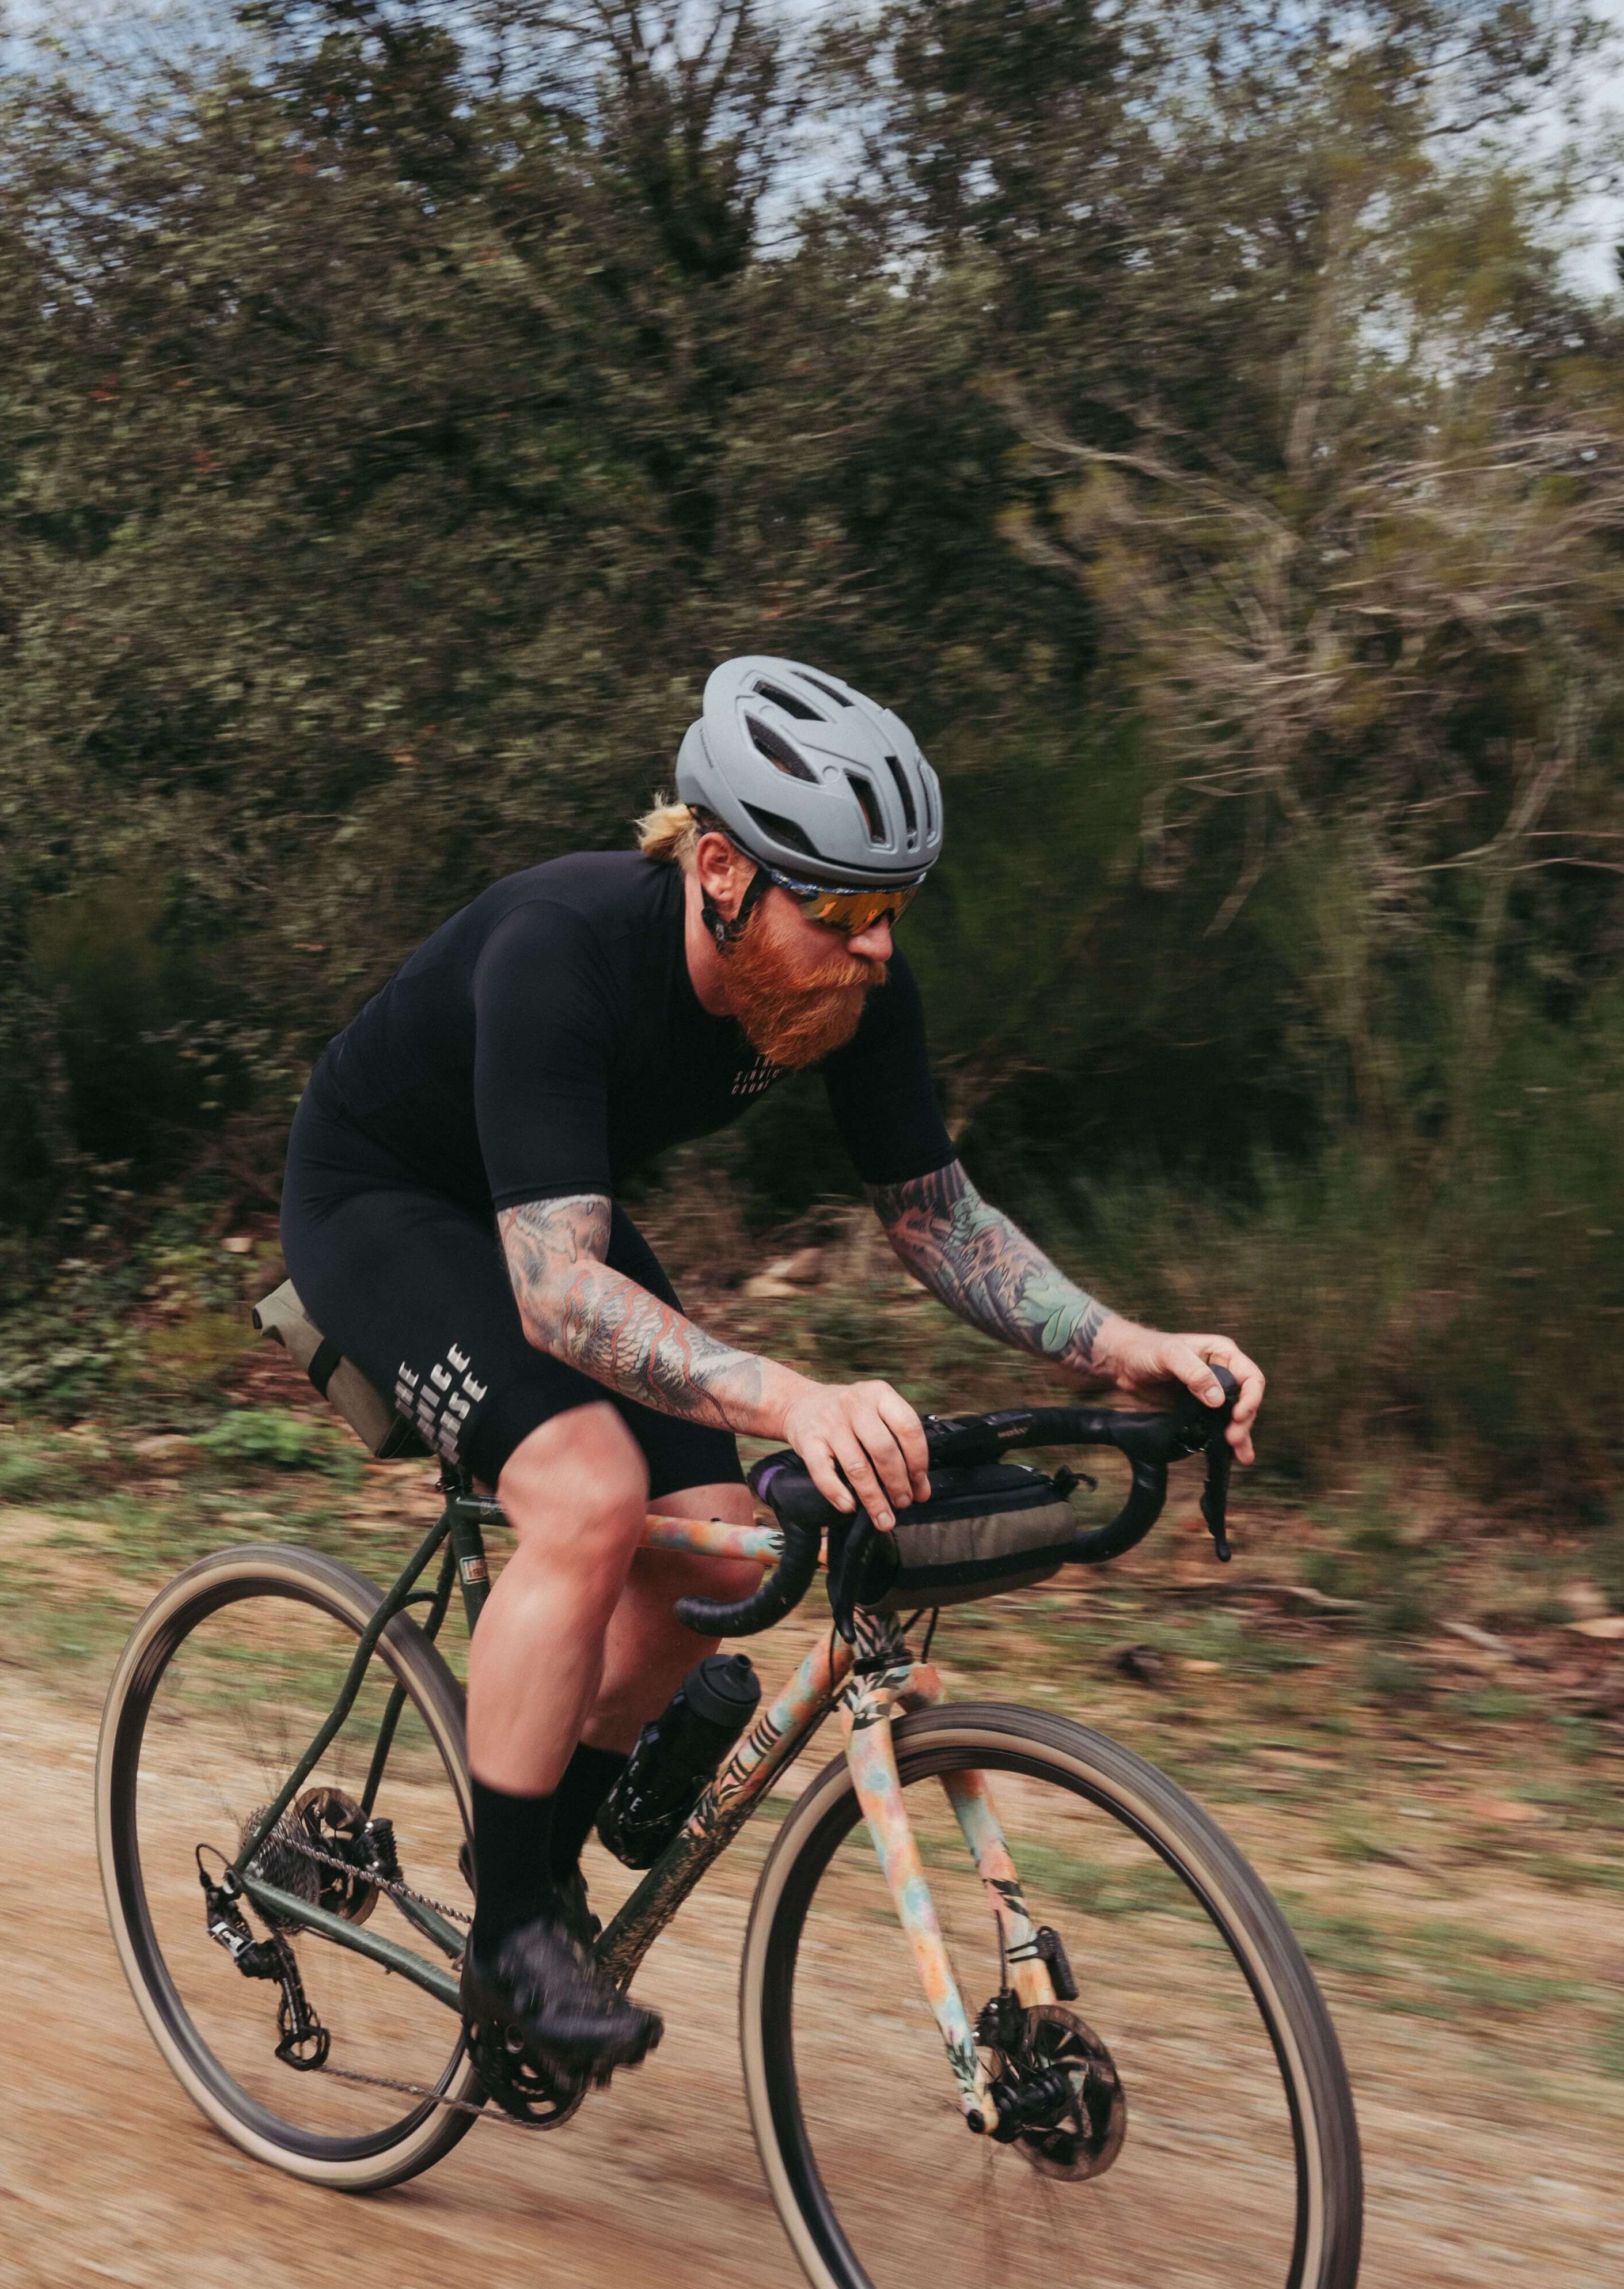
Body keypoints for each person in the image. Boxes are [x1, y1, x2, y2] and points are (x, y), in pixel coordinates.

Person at [280, 656, 1263, 2078]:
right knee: (586, 1492)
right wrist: (792, 1395)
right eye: (844, 910)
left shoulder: (851, 982)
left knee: (727, 1545)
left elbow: (937, 1217)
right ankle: (509, 1940)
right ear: (722, 871)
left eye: (895, 908)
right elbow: (554, 1292)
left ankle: (534, 1872)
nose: (877, 946)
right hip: (383, 1204)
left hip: (548, 1209)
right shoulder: (562, 946)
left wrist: (1130, 1346)